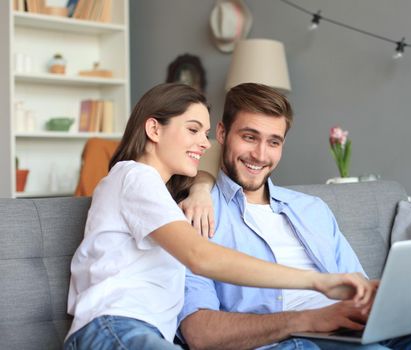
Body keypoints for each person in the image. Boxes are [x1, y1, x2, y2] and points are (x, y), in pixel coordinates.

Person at [178, 83, 411, 350]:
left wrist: (386, 301)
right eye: (249, 137)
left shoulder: (310, 208)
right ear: (222, 134)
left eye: (273, 142)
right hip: (289, 339)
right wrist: (310, 319)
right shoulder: (196, 214)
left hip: (351, 328)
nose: (260, 154)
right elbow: (199, 333)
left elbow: (356, 284)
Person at [63, 83, 374, 350]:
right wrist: (318, 282)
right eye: (194, 130)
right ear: (154, 128)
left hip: (142, 331)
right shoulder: (135, 177)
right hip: (114, 327)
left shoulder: (164, 197)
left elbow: (208, 166)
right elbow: (201, 257)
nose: (203, 142)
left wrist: (201, 184)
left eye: (207, 132)